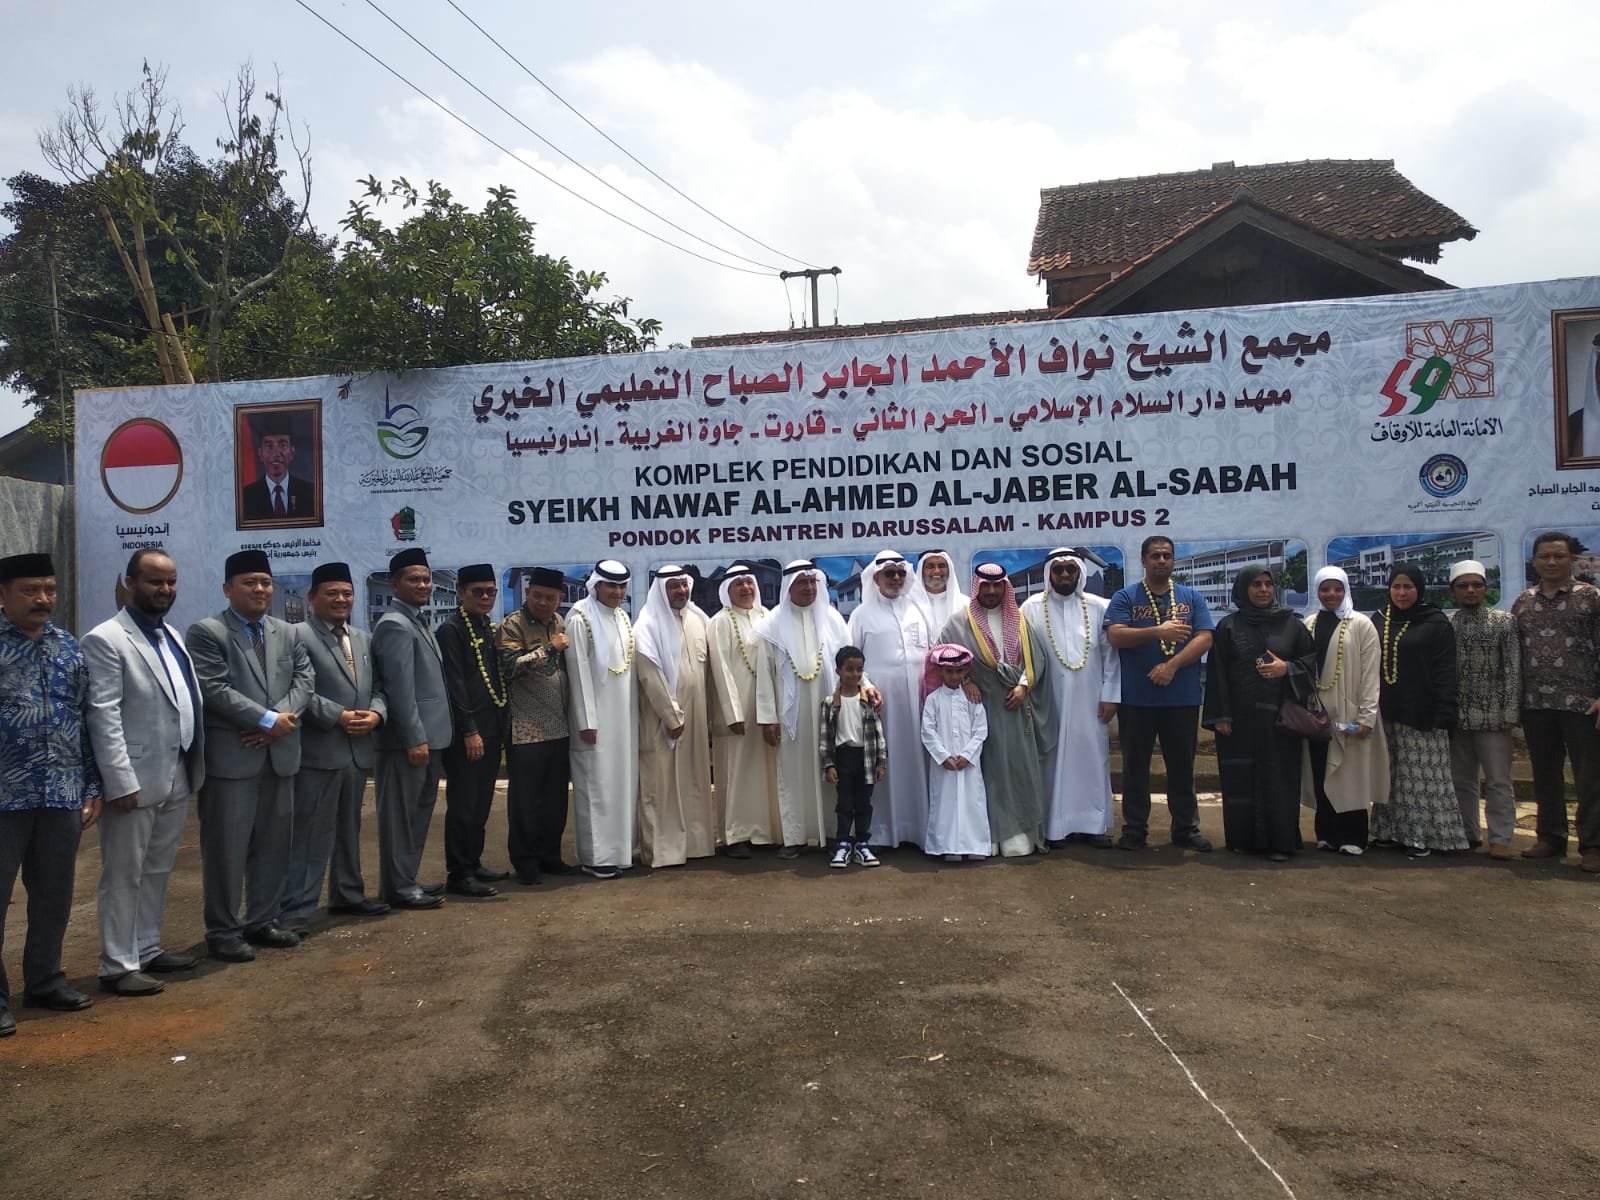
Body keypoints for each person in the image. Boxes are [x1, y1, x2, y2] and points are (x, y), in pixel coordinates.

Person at [82, 549, 204, 997]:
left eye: (171, 582)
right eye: (155, 582)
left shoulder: (170, 634)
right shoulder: (107, 639)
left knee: (157, 868)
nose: (165, 590)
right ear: (129, 583)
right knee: (123, 873)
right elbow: (103, 714)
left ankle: (147, 947)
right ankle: (117, 963)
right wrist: (119, 781)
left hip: (174, 770)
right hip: (133, 779)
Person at [186, 550, 314, 960]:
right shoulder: (206, 633)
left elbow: (305, 680)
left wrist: (278, 720)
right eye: (249, 582)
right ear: (228, 588)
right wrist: (265, 720)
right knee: (227, 848)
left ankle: (263, 920)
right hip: (234, 759)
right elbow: (214, 688)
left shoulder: (287, 632)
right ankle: (223, 931)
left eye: (265, 582)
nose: (260, 589)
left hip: (279, 753)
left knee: (275, 844)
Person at [0, 552, 102, 1035]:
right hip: (4, 798)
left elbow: (85, 719)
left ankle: (44, 979)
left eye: (49, 589)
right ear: (2, 595)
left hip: (60, 794)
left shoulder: (68, 647)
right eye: (29, 590)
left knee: (54, 897)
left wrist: (92, 784)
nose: (42, 599)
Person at [281, 562, 389, 933]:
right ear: (312, 598)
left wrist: (376, 714)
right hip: (319, 749)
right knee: (310, 833)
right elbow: (295, 690)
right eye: (332, 593)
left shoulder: (362, 638)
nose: (341, 599)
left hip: (357, 750)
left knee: (349, 828)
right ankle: (296, 910)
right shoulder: (296, 636)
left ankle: (348, 894)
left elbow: (378, 687)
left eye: (346, 593)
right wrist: (337, 715)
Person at [936, 563, 1056, 857]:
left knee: (1019, 771)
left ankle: (1019, 836)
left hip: (1015, 710)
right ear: (977, 587)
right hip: (978, 711)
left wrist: (1024, 687)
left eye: (997, 585)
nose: (991, 591)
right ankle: (985, 837)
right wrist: (965, 680)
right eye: (985, 586)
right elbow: (939, 655)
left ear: (1005, 587)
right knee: (985, 774)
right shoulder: (958, 623)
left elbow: (1036, 660)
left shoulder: (1019, 620)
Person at [1105, 536, 1216, 852]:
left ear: (1173, 560)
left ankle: (1186, 829)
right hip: (1137, 700)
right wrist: (1158, 631)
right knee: (1135, 768)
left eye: (1167, 556)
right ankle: (1135, 830)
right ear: (1143, 560)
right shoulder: (1125, 597)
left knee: (1182, 768)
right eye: (1155, 556)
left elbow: (1205, 638)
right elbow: (1115, 635)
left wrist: (1172, 665)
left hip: (1181, 698)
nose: (1162, 561)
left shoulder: (1191, 598)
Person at [1201, 566, 1316, 860]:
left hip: (1279, 721)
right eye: (1256, 584)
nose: (1264, 589)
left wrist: (1286, 668)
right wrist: (1221, 716)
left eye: (1268, 584)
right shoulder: (1228, 626)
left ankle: (1279, 843)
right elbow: (1217, 674)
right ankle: (1242, 839)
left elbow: (1312, 665)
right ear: (1243, 589)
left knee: (1278, 778)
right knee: (1240, 778)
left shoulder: (1292, 625)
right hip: (1239, 722)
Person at [1513, 531, 1600, 871]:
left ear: (1572, 560)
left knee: (1589, 777)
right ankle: (1550, 837)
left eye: (1559, 556)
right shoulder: (1524, 602)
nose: (1551, 562)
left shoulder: (1591, 598)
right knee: (1545, 774)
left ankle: (1592, 845)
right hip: (1536, 704)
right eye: (1545, 556)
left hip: (1583, 704)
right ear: (1534, 561)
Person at [1021, 548, 1120, 847]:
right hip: (1047, 700)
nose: (1065, 575)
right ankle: (1055, 828)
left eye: (1070, 569)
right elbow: (1021, 655)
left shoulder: (1100, 606)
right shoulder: (1030, 608)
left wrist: (1111, 696)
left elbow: (1111, 656)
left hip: (1092, 700)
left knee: (1092, 759)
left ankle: (1092, 825)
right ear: (1049, 573)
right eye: (1058, 570)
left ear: (1079, 573)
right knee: (1050, 761)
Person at [756, 560, 856, 857]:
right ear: (788, 587)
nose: (809, 588)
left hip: (830, 709)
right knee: (793, 773)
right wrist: (768, 718)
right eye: (802, 583)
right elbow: (765, 675)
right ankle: (795, 837)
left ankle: (834, 834)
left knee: (833, 771)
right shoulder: (772, 624)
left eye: (813, 583)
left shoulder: (833, 619)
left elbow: (851, 663)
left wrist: (865, 690)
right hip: (792, 717)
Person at [371, 548, 452, 909]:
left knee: (418, 812)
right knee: (400, 817)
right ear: (394, 583)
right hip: (411, 742)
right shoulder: (393, 624)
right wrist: (414, 738)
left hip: (430, 738)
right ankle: (399, 887)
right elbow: (400, 691)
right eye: (413, 579)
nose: (423, 585)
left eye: (426, 578)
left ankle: (407, 879)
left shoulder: (417, 620)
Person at [1370, 563, 1467, 858]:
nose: (1401, 593)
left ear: (1419, 589)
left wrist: (1445, 713)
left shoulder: (1435, 622)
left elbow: (1446, 671)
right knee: (1389, 775)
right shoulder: (1379, 619)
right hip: (1387, 711)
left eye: (1408, 587)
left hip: (1424, 712)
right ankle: (1387, 832)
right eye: (1396, 587)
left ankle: (1422, 836)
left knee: (1421, 778)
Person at [1299, 565, 1387, 856]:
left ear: (1346, 589)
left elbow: (1371, 675)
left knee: (1351, 775)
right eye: (1325, 589)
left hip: (1350, 713)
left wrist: (1366, 717)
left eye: (1337, 588)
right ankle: (1327, 834)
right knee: (1322, 771)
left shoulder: (1361, 624)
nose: (1331, 594)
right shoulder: (1309, 623)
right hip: (1318, 714)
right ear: (1317, 591)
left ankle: (1354, 835)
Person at [848, 550, 932, 849]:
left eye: (900, 573)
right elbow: (851, 659)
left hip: (919, 704)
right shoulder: (861, 614)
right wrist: (867, 685)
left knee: (918, 763)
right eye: (889, 574)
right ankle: (883, 832)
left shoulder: (919, 609)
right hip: (880, 704)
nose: (895, 578)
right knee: (884, 764)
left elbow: (933, 652)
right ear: (876, 578)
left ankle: (919, 828)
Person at [634, 565, 716, 868]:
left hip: (695, 719)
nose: (681, 591)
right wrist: (671, 717)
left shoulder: (698, 620)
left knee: (694, 781)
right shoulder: (647, 626)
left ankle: (696, 844)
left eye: (684, 585)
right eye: (673, 587)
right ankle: (662, 850)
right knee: (660, 786)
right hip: (661, 721)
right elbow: (649, 676)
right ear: (660, 590)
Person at [438, 563, 510, 898]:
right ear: (461, 593)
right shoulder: (451, 630)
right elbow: (456, 686)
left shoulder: (485, 626)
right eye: (477, 591)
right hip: (469, 733)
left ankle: (474, 862)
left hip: (492, 729)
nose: (485, 597)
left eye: (490, 591)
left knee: (481, 802)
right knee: (464, 803)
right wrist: (469, 730)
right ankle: (459, 872)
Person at [497, 567, 573, 884]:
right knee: (525, 800)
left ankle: (550, 856)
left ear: (560, 598)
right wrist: (549, 648)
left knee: (555, 798)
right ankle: (525, 861)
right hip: (526, 727)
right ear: (528, 593)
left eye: (550, 597)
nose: (543, 602)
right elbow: (510, 667)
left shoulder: (559, 621)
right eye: (538, 595)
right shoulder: (512, 624)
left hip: (558, 725)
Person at [565, 560, 639, 879]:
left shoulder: (622, 616)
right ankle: (596, 857)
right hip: (594, 721)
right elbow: (578, 672)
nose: (618, 592)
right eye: (611, 586)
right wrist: (586, 721)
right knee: (595, 785)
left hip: (622, 718)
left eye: (622, 586)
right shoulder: (580, 618)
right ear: (596, 585)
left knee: (620, 783)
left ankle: (619, 851)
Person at [1447, 559, 1520, 860]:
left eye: (1477, 584)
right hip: (1459, 717)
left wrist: (1510, 713)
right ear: (1453, 592)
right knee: (1462, 780)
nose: (1471, 590)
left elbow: (1513, 669)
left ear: (1486, 588)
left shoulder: (1504, 622)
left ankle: (1501, 837)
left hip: (1494, 717)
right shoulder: (1449, 624)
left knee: (1498, 780)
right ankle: (1468, 832)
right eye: (1463, 586)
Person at [706, 565, 779, 857]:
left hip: (765, 708)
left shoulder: (766, 617)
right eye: (739, 585)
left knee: (764, 771)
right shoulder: (720, 622)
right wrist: (732, 713)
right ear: (728, 590)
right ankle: (734, 836)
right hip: (736, 712)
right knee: (734, 772)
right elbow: (720, 669)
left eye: (749, 583)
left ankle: (763, 832)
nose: (746, 588)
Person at [919, 643, 989, 862]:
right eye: (949, 671)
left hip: (969, 763)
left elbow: (981, 729)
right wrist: (943, 757)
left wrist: (968, 755)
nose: (954, 675)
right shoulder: (933, 700)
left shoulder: (972, 698)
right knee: (945, 803)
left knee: (972, 802)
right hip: (944, 764)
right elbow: (928, 731)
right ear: (940, 671)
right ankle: (947, 846)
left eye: (959, 671)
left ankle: (975, 845)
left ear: (965, 672)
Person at [819, 645, 887, 869]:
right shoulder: (830, 704)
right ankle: (842, 844)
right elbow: (826, 738)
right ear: (838, 671)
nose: (855, 674)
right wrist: (828, 765)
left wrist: (881, 762)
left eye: (859, 670)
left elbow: (878, 733)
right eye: (849, 669)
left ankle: (862, 844)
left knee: (864, 804)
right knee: (845, 804)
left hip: (865, 758)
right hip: (843, 758)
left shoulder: (868, 701)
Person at [239, 412, 316, 522]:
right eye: (269, 446)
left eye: (283, 444)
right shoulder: (245, 498)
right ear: (260, 454)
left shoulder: (310, 493)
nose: (276, 453)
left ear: (292, 452)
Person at [915, 549, 966, 632]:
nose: (937, 571)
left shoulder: (965, 605)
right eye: (930, 566)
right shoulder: (911, 605)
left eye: (941, 566)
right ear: (921, 571)